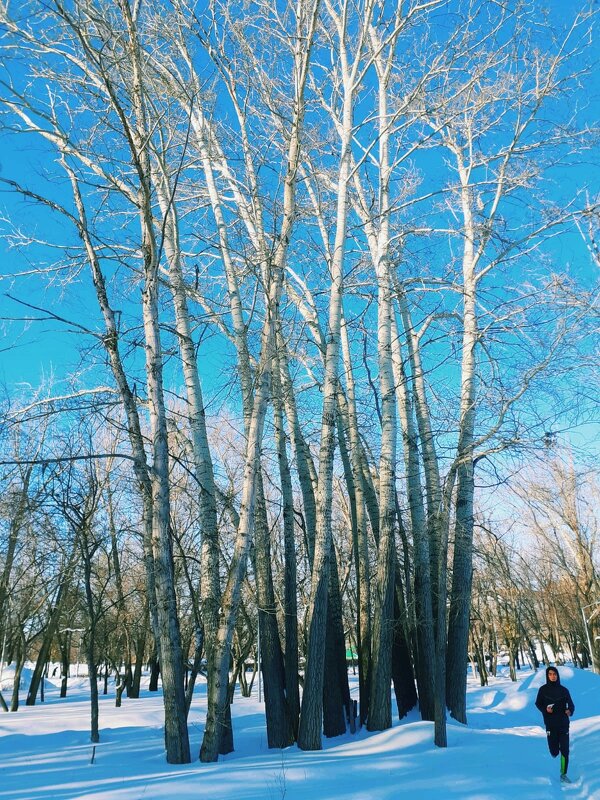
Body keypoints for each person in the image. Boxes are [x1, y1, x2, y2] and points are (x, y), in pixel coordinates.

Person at [534, 666, 575, 782]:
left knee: (565, 750)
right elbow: (538, 703)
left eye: (555, 674)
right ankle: (554, 754)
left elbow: (571, 705)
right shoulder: (543, 690)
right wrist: (545, 710)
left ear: (558, 675)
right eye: (550, 674)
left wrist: (569, 711)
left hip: (563, 724)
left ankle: (563, 774)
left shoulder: (564, 690)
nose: (553, 676)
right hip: (550, 724)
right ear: (547, 676)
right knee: (554, 751)